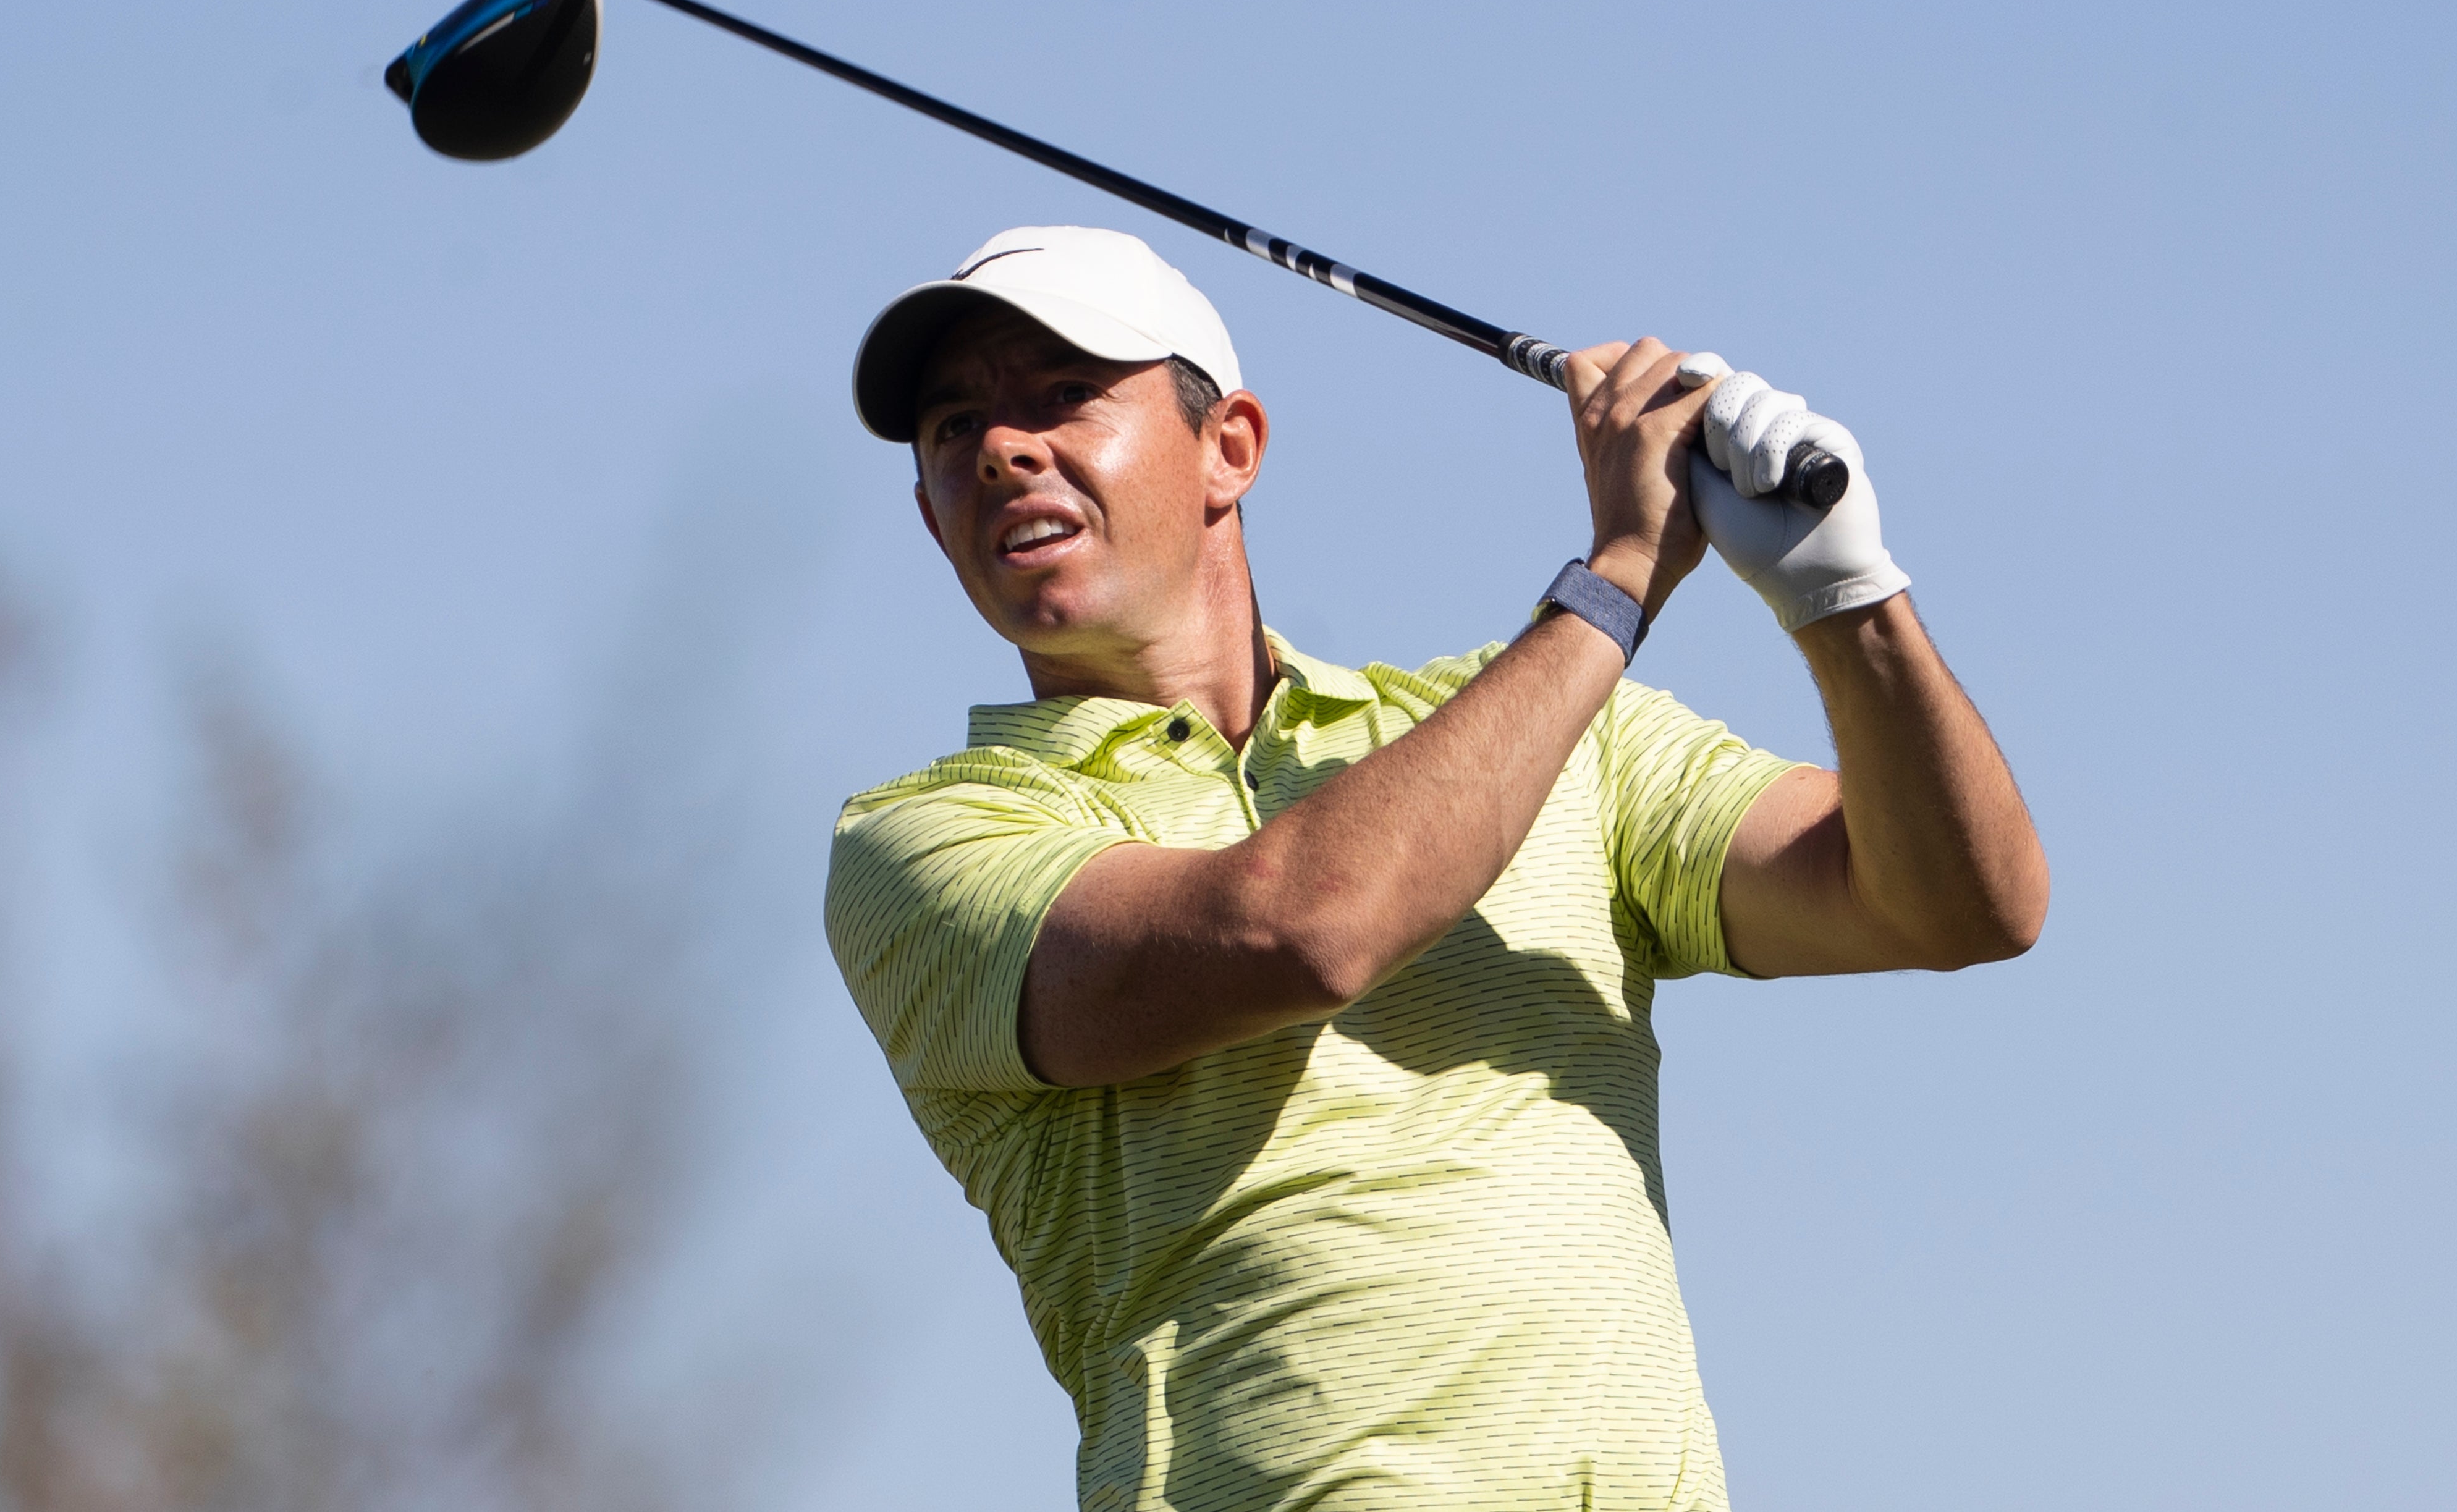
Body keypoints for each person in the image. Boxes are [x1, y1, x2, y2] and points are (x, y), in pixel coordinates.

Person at [824, 224, 2047, 1511]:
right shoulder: (927, 839)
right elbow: (1303, 927)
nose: (1001, 448)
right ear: (930, 512)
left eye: (1063, 394)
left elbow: (1961, 899)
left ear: (1226, 447)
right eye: (954, 426)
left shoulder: (1550, 728)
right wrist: (1619, 573)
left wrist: (1843, 592)